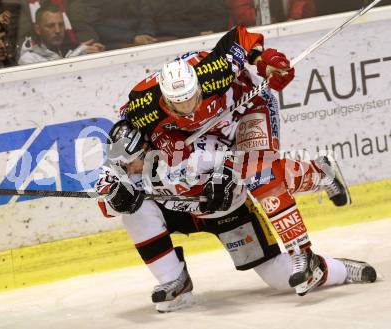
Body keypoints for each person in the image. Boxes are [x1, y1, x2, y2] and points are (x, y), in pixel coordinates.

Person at [119, 24, 353, 296]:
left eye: (191, 100)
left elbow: (240, 36)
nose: (188, 109)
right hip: (203, 133)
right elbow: (125, 128)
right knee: (220, 173)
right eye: (178, 106)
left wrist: (263, 61)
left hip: (248, 108)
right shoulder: (144, 105)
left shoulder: (213, 70)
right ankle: (318, 173)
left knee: (258, 172)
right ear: (164, 101)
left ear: (198, 86)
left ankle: (302, 253)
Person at [95, 120, 377, 312]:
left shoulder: (191, 151)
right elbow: (108, 209)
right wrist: (115, 199)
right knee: (134, 210)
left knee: (280, 277)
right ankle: (175, 282)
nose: (127, 170)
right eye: (120, 164)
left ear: (146, 149)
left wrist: (226, 179)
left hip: (229, 212)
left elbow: (259, 167)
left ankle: (338, 265)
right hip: (180, 212)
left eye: (129, 163)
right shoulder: (121, 165)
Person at [18, 2, 103, 65]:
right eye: (50, 26)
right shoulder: (27, 59)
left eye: (61, 24)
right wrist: (77, 55)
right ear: (38, 29)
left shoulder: (64, 50)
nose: (58, 30)